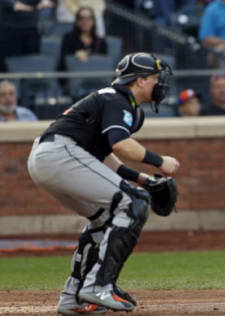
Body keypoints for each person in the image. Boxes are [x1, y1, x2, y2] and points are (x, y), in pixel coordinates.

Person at [27, 52, 180, 314]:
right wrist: (159, 161)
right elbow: (120, 145)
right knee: (134, 203)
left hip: (52, 157)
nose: (160, 83)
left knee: (104, 218)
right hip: (60, 154)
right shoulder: (117, 98)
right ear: (141, 81)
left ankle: (73, 297)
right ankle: (99, 285)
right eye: (155, 77)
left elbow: (104, 155)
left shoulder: (120, 103)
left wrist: (142, 178)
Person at [0, 0, 55, 72]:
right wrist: (13, 4)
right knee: (7, 65)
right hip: (8, 28)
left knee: (31, 65)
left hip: (31, 28)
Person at [59, 6, 108, 71]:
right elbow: (62, 62)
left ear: (93, 21)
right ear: (76, 21)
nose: (85, 21)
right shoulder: (68, 38)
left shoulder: (101, 41)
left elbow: (105, 64)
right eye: (81, 18)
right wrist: (75, 55)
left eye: (88, 18)